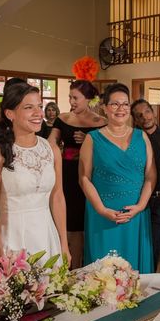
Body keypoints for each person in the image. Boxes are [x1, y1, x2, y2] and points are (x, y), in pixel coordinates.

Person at [0, 83, 70, 264]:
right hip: (13, 237)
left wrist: (64, 243)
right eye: (28, 107)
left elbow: (57, 197)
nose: (38, 113)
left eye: (39, 106)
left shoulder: (51, 149)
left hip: (47, 236)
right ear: (10, 114)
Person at [79, 83, 155, 273]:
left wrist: (141, 206)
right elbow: (84, 178)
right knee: (103, 273)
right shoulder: (92, 138)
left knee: (134, 271)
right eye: (115, 104)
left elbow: (150, 175)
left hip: (135, 214)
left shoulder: (142, 136)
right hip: (103, 214)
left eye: (125, 104)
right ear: (104, 108)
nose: (121, 109)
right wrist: (101, 209)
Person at [48, 80, 107, 268]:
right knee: (71, 223)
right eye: (70, 97)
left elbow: (109, 151)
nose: (72, 101)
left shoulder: (101, 123)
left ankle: (92, 265)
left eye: (76, 98)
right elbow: (50, 144)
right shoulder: (63, 118)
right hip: (67, 174)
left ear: (88, 99)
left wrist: (90, 141)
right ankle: (73, 267)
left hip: (93, 176)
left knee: (89, 221)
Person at [131, 98, 160, 271]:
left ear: (153, 112)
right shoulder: (133, 138)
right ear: (135, 119)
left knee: (154, 244)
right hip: (138, 197)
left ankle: (149, 278)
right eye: (139, 115)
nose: (145, 117)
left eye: (147, 112)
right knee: (136, 243)